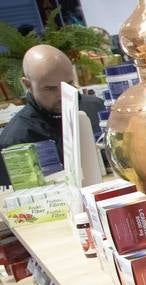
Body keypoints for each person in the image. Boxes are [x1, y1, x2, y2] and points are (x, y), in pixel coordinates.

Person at [0, 45, 104, 186]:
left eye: (68, 84)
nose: (62, 95)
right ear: (27, 85)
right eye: (50, 88)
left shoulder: (96, 108)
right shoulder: (16, 139)